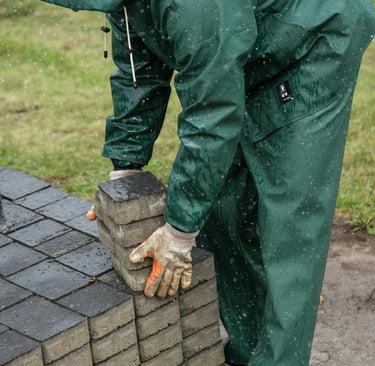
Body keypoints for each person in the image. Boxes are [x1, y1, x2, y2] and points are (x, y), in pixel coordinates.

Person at [41, 0, 375, 365]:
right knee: (221, 208)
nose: (74, 10)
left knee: (289, 227)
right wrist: (126, 173)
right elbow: (138, 76)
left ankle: (279, 359)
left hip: (313, 42)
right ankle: (246, 353)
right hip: (241, 50)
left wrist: (180, 232)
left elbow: (212, 117)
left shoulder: (195, 5)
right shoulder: (126, 5)